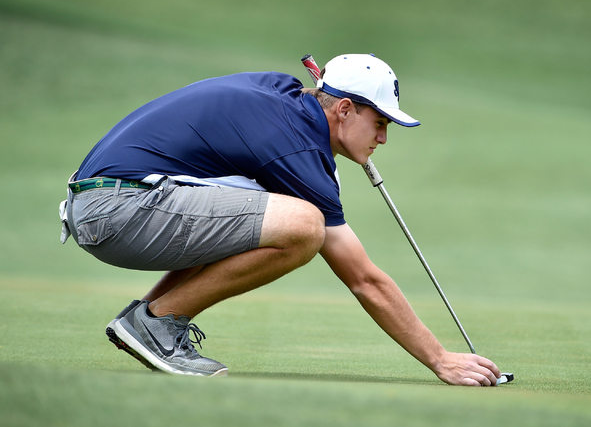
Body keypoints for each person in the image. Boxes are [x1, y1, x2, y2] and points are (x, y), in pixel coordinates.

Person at [60, 53, 502, 386]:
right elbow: (364, 279)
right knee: (304, 225)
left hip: (110, 202)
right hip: (118, 209)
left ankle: (150, 322)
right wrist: (438, 358)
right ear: (344, 110)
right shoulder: (295, 147)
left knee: (271, 208)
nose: (384, 138)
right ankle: (156, 324)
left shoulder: (285, 101)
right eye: (380, 122)